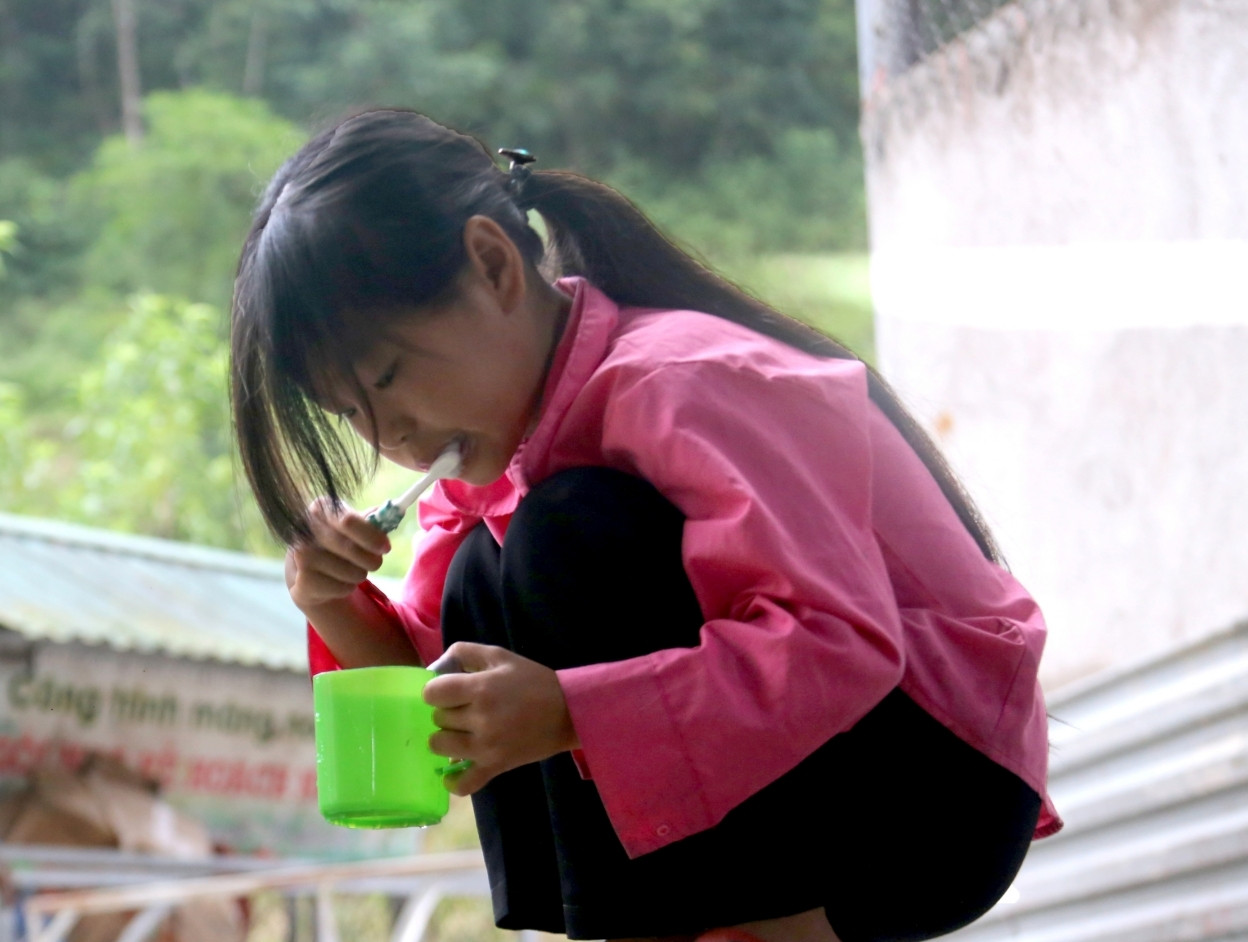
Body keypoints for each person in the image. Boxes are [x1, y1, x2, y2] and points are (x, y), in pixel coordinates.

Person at [227, 108, 1060, 942]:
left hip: (936, 789)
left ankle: (770, 925)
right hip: (819, 777)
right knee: (484, 574)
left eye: (389, 376)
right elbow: (443, 696)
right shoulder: (483, 471)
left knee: (567, 530)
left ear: (492, 265)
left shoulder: (688, 381)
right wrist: (334, 601)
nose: (388, 436)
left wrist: (566, 713)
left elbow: (839, 644)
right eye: (350, 412)